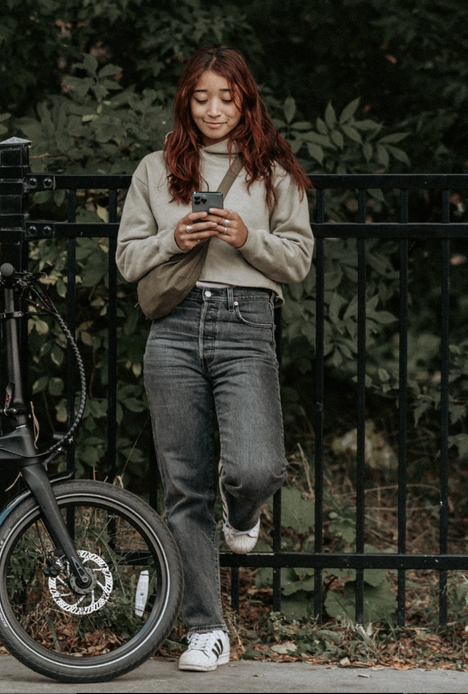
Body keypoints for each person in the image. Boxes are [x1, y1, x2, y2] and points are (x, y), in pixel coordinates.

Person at [116, 44, 314, 672]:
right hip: (173, 328)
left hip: (244, 322)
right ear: (186, 100)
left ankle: (244, 511)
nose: (213, 109)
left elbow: (298, 260)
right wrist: (173, 237)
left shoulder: (273, 171)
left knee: (256, 467)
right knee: (184, 487)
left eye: (225, 97)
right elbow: (126, 259)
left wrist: (243, 236)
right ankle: (206, 628)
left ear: (245, 99)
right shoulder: (156, 168)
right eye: (201, 97)